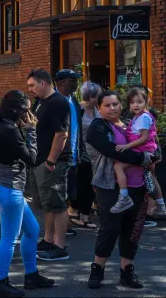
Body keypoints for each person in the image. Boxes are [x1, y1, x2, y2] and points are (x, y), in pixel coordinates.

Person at [0, 90, 55, 297]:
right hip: (8, 190)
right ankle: (0, 282)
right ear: (16, 110)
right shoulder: (9, 130)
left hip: (3, 188)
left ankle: (31, 275)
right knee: (9, 239)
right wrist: (32, 131)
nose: (28, 115)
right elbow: (31, 158)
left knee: (32, 230)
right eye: (26, 110)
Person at [85, 89, 156, 290]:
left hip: (136, 185)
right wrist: (144, 158)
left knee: (132, 230)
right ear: (99, 108)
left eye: (115, 104)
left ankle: (127, 271)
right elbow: (111, 151)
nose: (112, 108)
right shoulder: (97, 127)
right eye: (107, 105)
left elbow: (152, 143)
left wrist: (153, 154)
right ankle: (97, 270)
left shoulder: (131, 124)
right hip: (109, 186)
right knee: (110, 228)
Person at [26, 69, 71, 261]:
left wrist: (51, 161)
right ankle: (48, 239)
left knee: (58, 204)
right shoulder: (40, 102)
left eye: (32, 85)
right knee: (46, 204)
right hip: (38, 160)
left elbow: (61, 134)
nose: (30, 89)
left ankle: (60, 246)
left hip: (52, 162)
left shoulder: (58, 102)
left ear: (43, 83)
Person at [110, 88, 164, 214]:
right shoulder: (139, 116)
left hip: (143, 152)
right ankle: (160, 204)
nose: (135, 105)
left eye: (139, 102)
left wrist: (127, 146)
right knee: (150, 176)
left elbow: (144, 137)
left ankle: (123, 196)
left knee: (118, 166)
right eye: (132, 102)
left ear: (146, 101)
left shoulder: (143, 117)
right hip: (146, 151)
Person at [53, 69, 85, 236]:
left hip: (74, 154)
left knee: (67, 191)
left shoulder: (74, 100)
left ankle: (63, 225)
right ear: (61, 82)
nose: (75, 83)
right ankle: (57, 230)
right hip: (59, 156)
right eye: (72, 80)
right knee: (58, 193)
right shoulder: (53, 101)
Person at [70, 81, 102, 229]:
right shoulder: (79, 109)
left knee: (90, 184)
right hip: (80, 152)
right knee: (81, 184)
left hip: (94, 152)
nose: (100, 98)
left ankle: (84, 215)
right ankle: (76, 212)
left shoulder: (97, 111)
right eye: (98, 96)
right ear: (91, 96)